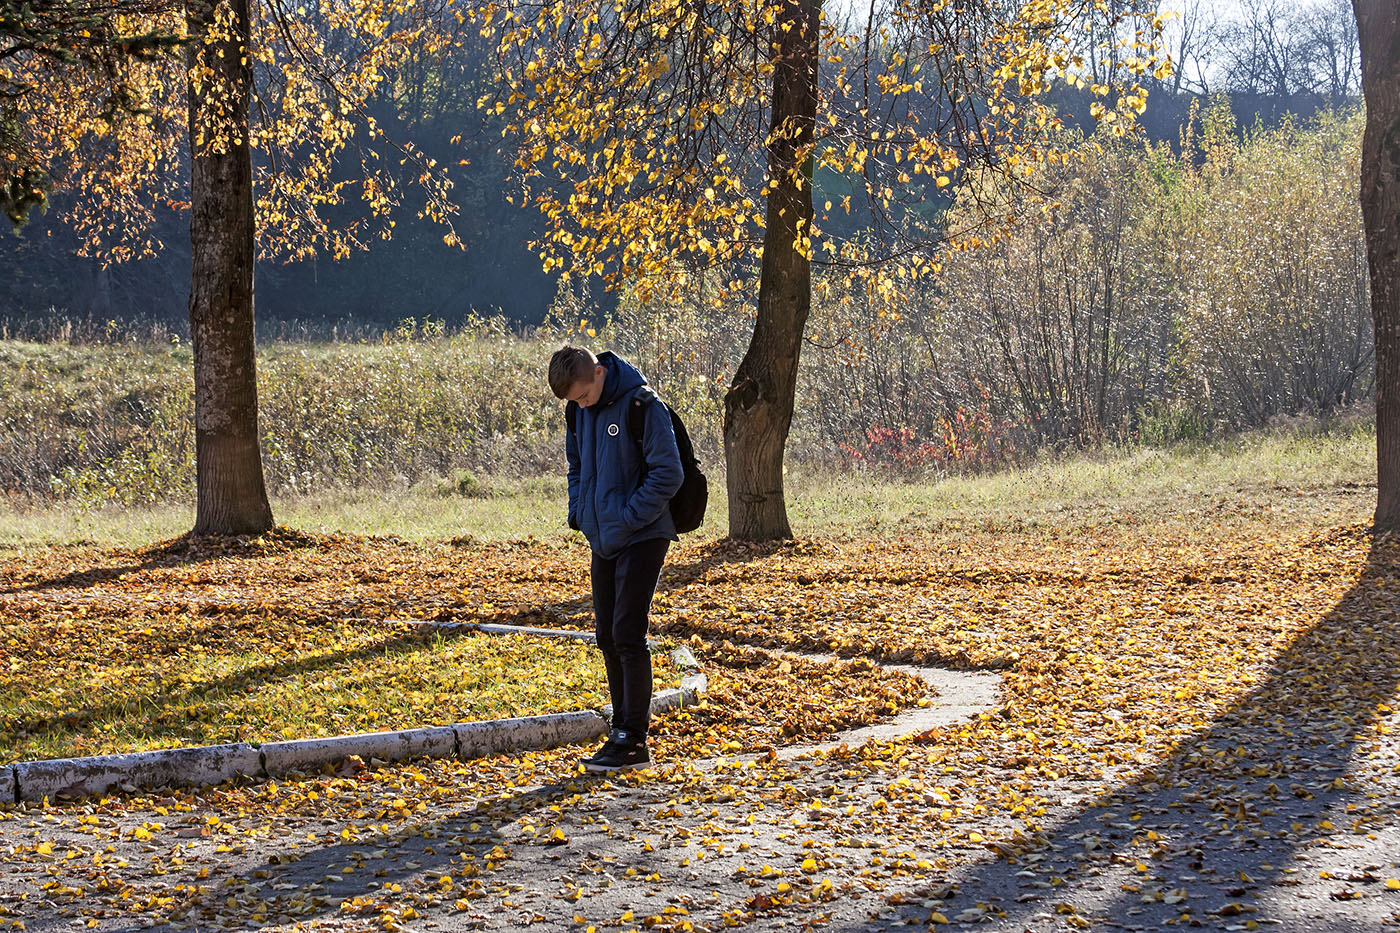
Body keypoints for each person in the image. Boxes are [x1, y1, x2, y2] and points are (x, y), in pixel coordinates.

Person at [549, 345, 683, 772]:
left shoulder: (643, 405)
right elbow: (575, 465)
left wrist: (627, 518)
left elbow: (669, 473)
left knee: (628, 633)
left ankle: (633, 739)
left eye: (583, 396)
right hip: (602, 535)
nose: (580, 405)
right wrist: (579, 512)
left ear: (600, 373)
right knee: (606, 634)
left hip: (644, 534)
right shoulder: (578, 412)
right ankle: (619, 731)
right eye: (573, 401)